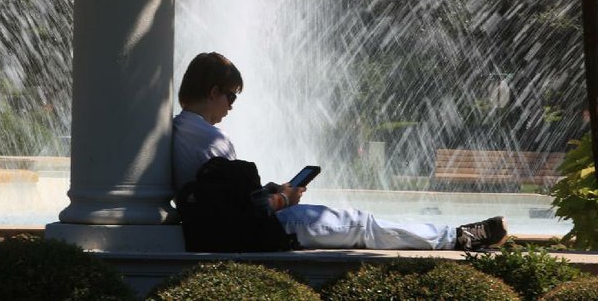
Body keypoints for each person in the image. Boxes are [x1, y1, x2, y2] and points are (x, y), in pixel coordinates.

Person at [172, 51, 509, 251]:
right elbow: (247, 210)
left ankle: (452, 235)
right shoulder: (208, 137)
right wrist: (284, 199)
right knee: (362, 224)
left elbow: (223, 196)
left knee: (362, 223)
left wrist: (273, 192)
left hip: (241, 228)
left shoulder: (182, 129)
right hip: (275, 229)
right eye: (231, 96)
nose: (232, 106)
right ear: (214, 92)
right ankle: (456, 237)